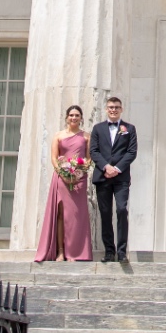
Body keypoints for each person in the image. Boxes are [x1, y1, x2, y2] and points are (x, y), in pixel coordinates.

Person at [34, 105, 93, 262]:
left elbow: (88, 158)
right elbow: (54, 158)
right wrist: (64, 174)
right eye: (71, 115)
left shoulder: (87, 136)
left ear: (81, 118)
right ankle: (60, 251)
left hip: (79, 179)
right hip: (62, 178)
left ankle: (74, 253)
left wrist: (78, 172)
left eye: (77, 115)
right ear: (67, 117)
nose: (74, 118)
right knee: (61, 214)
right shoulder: (58, 136)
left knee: (76, 216)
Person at [90, 96, 138, 262]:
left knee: (121, 210)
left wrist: (117, 169)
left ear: (121, 109)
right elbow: (94, 151)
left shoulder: (129, 129)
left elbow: (131, 152)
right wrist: (106, 167)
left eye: (117, 107)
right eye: (110, 107)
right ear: (106, 109)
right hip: (103, 176)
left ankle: (122, 251)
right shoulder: (97, 129)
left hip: (121, 178)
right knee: (105, 213)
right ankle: (109, 251)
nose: (113, 109)